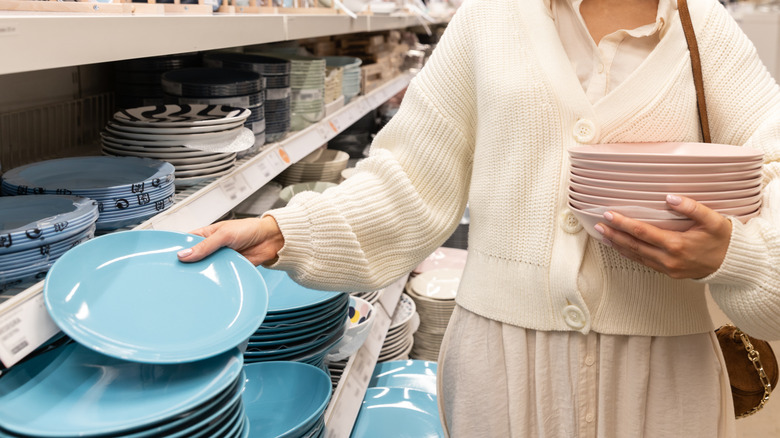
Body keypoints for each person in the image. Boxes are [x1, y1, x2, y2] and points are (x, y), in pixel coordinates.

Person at [177, 0, 780, 435]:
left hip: (664, 377)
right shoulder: (490, 18)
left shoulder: (706, 31)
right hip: (501, 368)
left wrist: (738, 255)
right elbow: (410, 179)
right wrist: (291, 229)